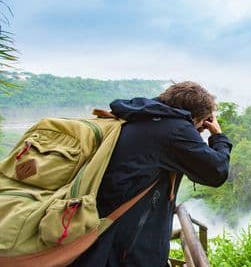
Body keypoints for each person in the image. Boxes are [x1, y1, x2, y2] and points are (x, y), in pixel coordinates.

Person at [71, 81, 232, 267]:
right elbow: (216, 172)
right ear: (194, 117)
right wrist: (218, 136)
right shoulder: (175, 130)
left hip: (101, 236)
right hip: (127, 251)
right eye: (200, 127)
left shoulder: (138, 116)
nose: (198, 133)